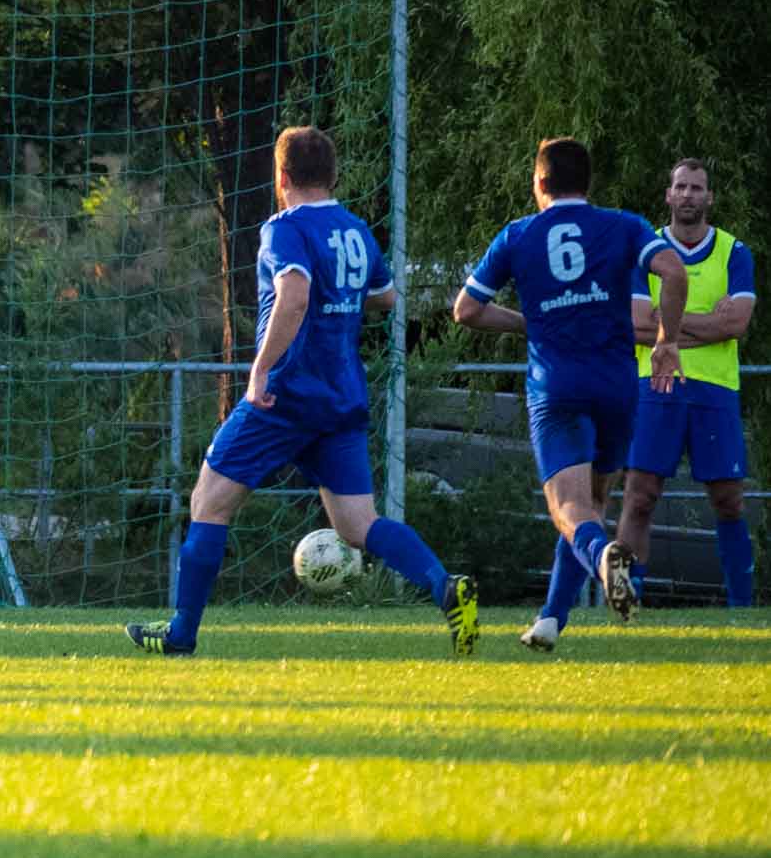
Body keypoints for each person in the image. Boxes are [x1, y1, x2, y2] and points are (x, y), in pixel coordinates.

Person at [125, 125, 480, 658]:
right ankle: (443, 586)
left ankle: (181, 633)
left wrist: (260, 369)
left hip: (285, 396)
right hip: (341, 398)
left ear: (282, 177)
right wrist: (341, 294)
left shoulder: (284, 228)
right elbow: (385, 296)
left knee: (208, 501)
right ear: (333, 176)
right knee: (358, 525)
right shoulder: (355, 229)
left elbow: (294, 296)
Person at [453, 138, 688, 639]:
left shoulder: (518, 235)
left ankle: (603, 559)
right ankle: (551, 620)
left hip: (557, 386)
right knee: (593, 503)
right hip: (616, 385)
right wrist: (666, 341)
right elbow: (672, 271)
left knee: (568, 510)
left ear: (540, 181)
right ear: (588, 182)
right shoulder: (624, 225)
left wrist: (526, 323)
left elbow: (466, 310)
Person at [520, 159, 755, 650]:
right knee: (640, 495)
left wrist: (668, 326)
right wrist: (702, 326)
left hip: (715, 389)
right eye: (680, 187)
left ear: (709, 197)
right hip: (654, 384)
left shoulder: (734, 252)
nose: (688, 195)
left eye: (697, 188)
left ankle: (743, 611)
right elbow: (636, 325)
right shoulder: (644, 246)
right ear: (668, 195)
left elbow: (735, 325)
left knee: (729, 499)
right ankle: (629, 604)